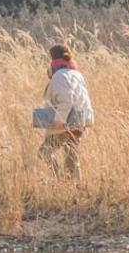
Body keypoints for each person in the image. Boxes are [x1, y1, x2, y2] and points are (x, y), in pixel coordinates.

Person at [39, 44, 94, 181]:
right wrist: (86, 121)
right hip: (81, 120)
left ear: (53, 59)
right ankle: (76, 187)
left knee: (44, 152)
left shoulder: (59, 76)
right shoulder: (77, 74)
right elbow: (84, 99)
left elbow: (66, 101)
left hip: (65, 121)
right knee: (71, 156)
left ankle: (59, 180)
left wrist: (59, 122)